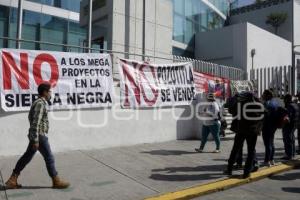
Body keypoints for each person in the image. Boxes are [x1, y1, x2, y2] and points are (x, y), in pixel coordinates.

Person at [5, 83, 70, 189]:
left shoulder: (39, 102)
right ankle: (56, 180)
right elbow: (36, 122)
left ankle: (13, 179)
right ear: (44, 92)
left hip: (36, 135)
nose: (50, 94)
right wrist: (35, 139)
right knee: (49, 157)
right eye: (49, 91)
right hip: (39, 135)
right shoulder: (40, 104)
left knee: (27, 157)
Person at [224, 92, 264, 178]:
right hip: (253, 132)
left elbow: (231, 110)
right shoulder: (259, 105)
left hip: (241, 130)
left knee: (235, 149)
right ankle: (247, 172)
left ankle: (229, 169)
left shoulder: (241, 104)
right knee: (251, 152)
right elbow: (265, 114)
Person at [261, 89, 279, 166]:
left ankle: (267, 160)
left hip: (267, 126)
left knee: (267, 144)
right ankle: (271, 159)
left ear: (267, 95)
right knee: (271, 143)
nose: (262, 96)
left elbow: (263, 116)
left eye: (264, 94)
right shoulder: (275, 103)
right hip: (273, 126)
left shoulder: (266, 104)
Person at [282, 94, 299, 160]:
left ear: (287, 99)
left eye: (284, 99)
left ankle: (289, 155)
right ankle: (292, 153)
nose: (283, 100)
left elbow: (288, 117)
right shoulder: (295, 105)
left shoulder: (290, 106)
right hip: (294, 124)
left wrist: (283, 122)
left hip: (289, 125)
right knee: (292, 139)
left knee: (287, 139)